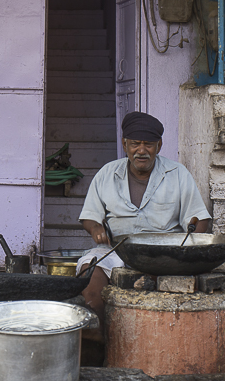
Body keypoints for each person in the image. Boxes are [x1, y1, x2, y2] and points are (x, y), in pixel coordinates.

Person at [77, 112, 212, 328]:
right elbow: (90, 217)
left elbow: (200, 220)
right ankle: (100, 335)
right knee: (89, 268)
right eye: (135, 144)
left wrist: (188, 248)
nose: (141, 151)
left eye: (148, 144)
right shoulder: (107, 174)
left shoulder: (177, 174)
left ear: (159, 145)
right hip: (118, 249)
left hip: (166, 253)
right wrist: (96, 230)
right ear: (124, 144)